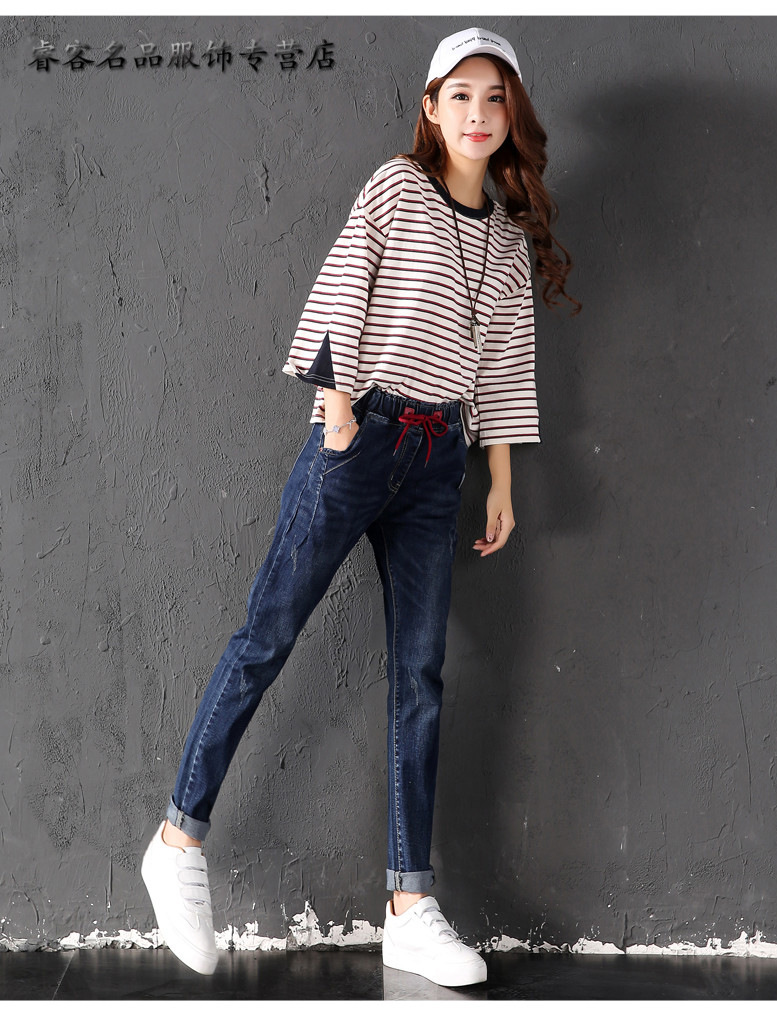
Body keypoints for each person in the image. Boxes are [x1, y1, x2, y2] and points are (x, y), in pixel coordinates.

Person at [141, 26, 579, 988]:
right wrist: (337, 411)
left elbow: (505, 365)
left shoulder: (509, 241)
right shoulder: (396, 188)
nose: (477, 114)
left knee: (420, 675)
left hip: (439, 462)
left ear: (512, 116)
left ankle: (409, 908)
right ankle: (176, 841)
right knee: (267, 636)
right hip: (361, 435)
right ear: (431, 108)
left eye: (494, 99)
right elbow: (343, 286)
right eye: (459, 95)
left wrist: (501, 481)